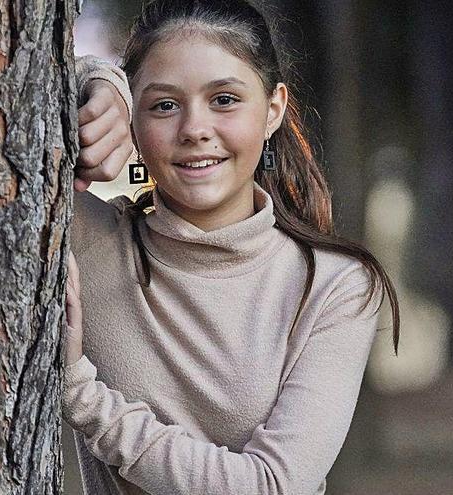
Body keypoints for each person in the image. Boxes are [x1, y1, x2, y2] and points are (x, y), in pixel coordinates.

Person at [62, 1, 400, 493]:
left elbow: (273, 486)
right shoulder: (89, 243)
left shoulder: (332, 285)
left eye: (224, 99)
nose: (195, 129)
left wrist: (82, 395)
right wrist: (105, 83)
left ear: (274, 110)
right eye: (164, 105)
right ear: (133, 122)